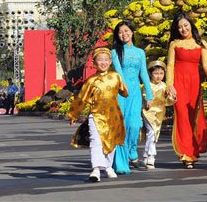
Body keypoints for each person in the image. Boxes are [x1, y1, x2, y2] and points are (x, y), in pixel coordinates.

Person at [165, 12, 207, 169]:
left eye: (185, 25)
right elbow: (170, 66)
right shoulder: (174, 44)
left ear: (191, 25)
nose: (183, 29)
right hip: (179, 84)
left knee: (193, 116)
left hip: (194, 84)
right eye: (179, 27)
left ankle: (193, 150)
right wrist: (169, 85)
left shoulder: (201, 44)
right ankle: (187, 154)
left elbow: (206, 65)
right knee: (182, 116)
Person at [68, 47, 128, 182]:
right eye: (100, 60)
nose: (103, 62)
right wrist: (74, 115)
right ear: (94, 63)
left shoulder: (116, 76)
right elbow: (81, 99)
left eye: (106, 60)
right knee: (96, 141)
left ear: (110, 61)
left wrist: (126, 87)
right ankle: (96, 169)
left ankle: (108, 166)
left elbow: (124, 92)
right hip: (96, 115)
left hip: (113, 116)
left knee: (111, 141)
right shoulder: (91, 81)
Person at [111, 20, 153, 174]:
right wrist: (123, 86)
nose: (124, 34)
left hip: (135, 93)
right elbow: (118, 71)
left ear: (132, 32)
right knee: (122, 125)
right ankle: (124, 159)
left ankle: (132, 151)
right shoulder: (115, 52)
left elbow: (144, 74)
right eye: (120, 32)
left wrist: (149, 95)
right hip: (121, 93)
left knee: (135, 125)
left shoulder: (140, 52)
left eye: (126, 31)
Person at [140, 60, 172, 170]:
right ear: (150, 74)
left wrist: (170, 95)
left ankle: (145, 155)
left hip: (160, 113)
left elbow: (169, 102)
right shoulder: (147, 85)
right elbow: (144, 97)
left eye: (161, 74)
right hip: (148, 112)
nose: (158, 76)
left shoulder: (164, 86)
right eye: (156, 73)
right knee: (151, 132)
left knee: (154, 133)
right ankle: (151, 156)